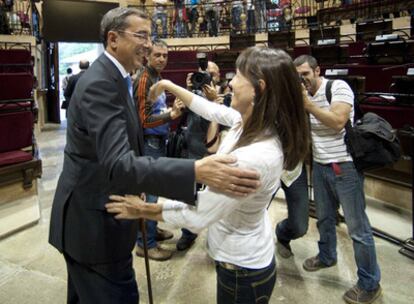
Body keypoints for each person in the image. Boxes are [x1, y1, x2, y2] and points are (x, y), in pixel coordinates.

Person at [48, 8, 260, 304]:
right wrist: (195, 171)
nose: (149, 44)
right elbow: (120, 164)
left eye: (149, 36)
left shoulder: (117, 77)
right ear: (113, 39)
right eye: (141, 35)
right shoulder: (101, 83)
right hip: (94, 229)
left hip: (96, 222)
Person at [106, 46, 309, 304]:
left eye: (237, 75)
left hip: (242, 270)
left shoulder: (254, 157)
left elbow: (198, 215)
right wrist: (169, 84)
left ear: (259, 88)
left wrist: (143, 209)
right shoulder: (249, 120)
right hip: (239, 258)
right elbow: (209, 109)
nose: (230, 82)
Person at [294, 55, 382, 304]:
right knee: (324, 218)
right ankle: (327, 255)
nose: (302, 81)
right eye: (298, 76)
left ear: (317, 70)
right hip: (320, 167)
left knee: (357, 228)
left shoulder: (337, 88)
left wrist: (307, 105)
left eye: (306, 75)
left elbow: (338, 122)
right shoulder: (302, 96)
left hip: (345, 167)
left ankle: (369, 283)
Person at [133, 38, 182, 261]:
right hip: (150, 142)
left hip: (159, 140)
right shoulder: (144, 79)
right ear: (147, 56)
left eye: (165, 55)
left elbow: (156, 108)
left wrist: (170, 110)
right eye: (157, 55)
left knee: (154, 193)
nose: (161, 59)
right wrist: (169, 115)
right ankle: (145, 243)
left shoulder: (156, 76)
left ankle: (151, 231)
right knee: (150, 196)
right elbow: (143, 120)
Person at [176, 60, 222, 251]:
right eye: (203, 73)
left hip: (215, 154)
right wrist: (187, 89)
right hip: (192, 152)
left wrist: (213, 102)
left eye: (211, 74)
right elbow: (179, 113)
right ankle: (188, 233)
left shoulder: (228, 97)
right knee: (189, 196)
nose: (206, 77)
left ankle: (217, 237)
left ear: (217, 77)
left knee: (217, 198)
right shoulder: (192, 94)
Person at [275, 163, 309, 258]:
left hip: (294, 167)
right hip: (266, 162)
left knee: (299, 227)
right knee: (253, 214)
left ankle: (282, 235)